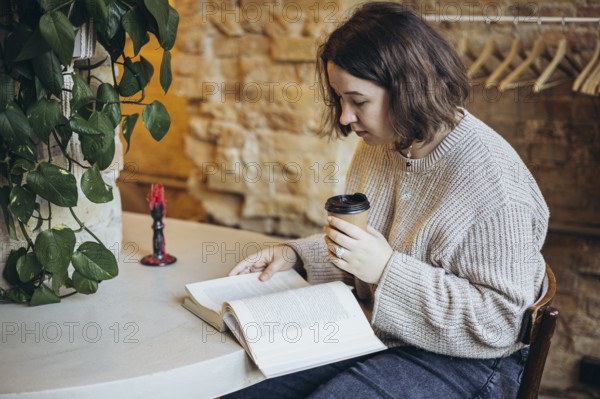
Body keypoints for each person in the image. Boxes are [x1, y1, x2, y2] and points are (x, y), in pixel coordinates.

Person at [224, 2, 549, 398]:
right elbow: (375, 245)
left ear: (408, 86)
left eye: (358, 102)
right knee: (241, 385)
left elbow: (502, 321)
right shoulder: (386, 143)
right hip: (386, 329)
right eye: (340, 99)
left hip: (476, 361)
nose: (345, 117)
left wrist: (387, 270)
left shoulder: (494, 182)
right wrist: (297, 256)